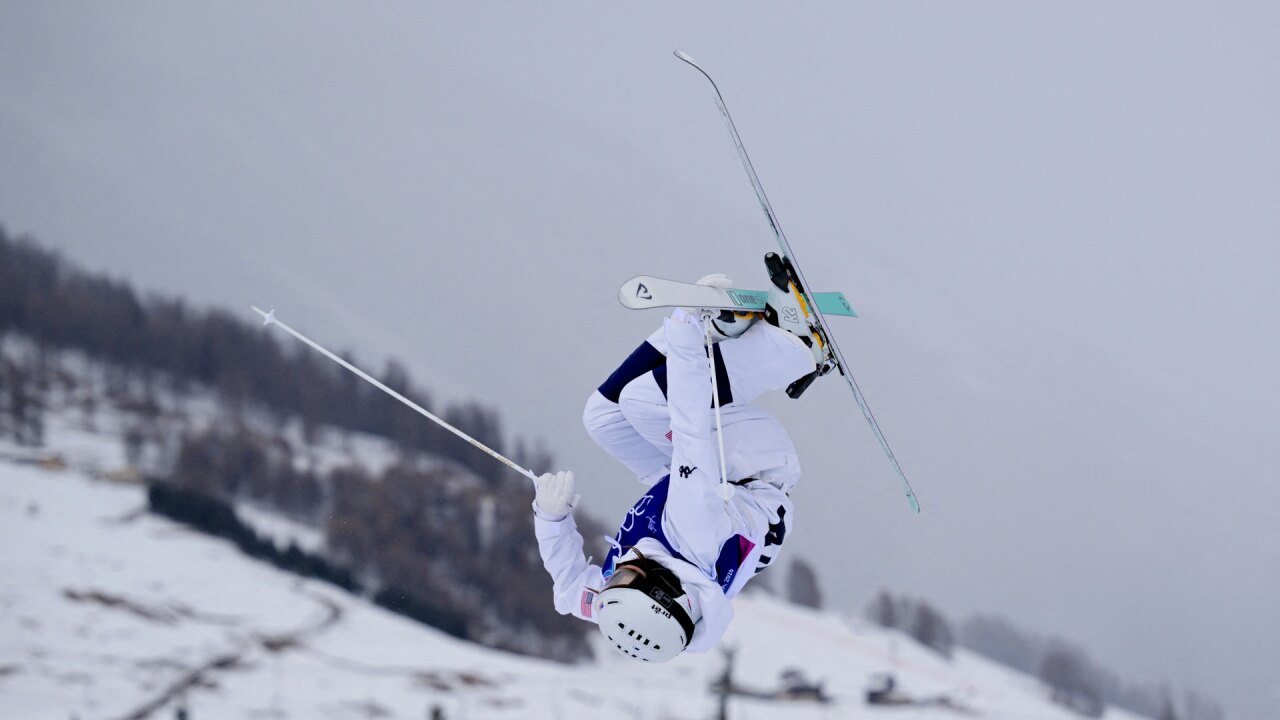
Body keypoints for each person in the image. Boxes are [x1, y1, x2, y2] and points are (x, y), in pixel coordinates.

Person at [532, 268, 824, 663]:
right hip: (752, 470)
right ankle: (793, 350)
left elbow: (570, 592)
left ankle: (721, 336)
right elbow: (689, 428)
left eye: (614, 581)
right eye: (626, 576)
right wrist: (685, 323)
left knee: (604, 418)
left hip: (703, 491)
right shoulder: (693, 530)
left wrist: (551, 521)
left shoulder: (622, 596)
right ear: (665, 589)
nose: (617, 570)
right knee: (643, 402)